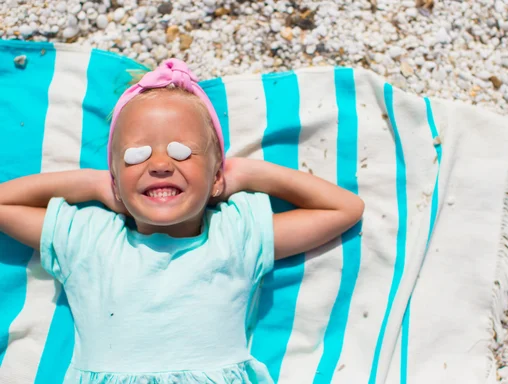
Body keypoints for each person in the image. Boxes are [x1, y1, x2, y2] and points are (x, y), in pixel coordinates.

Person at [0, 58, 364, 383]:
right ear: (114, 179)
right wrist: (94, 185)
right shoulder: (90, 239)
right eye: (136, 154)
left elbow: (344, 209)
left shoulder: (235, 235)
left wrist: (245, 174)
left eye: (182, 151)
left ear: (216, 177)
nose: (159, 164)